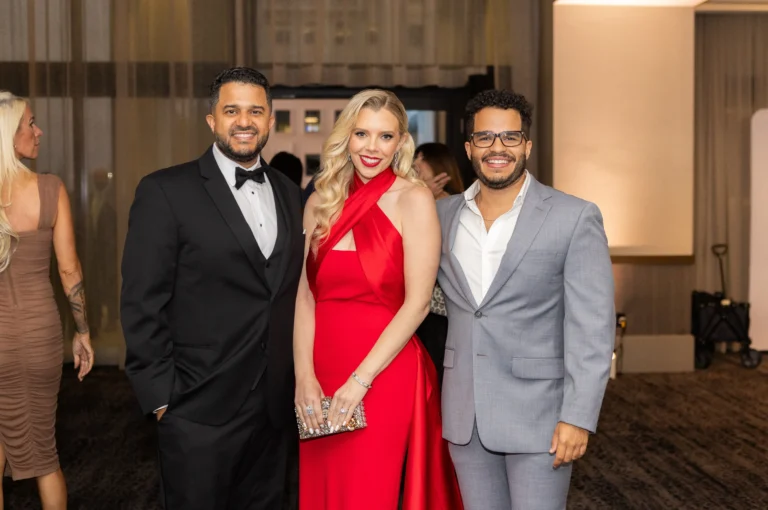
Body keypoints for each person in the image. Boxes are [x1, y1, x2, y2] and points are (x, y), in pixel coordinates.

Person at [120, 68, 304, 510]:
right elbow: (142, 300)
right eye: (232, 110)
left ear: (270, 120)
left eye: (255, 111)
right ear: (211, 120)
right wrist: (160, 397)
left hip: (274, 410)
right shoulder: (165, 191)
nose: (244, 121)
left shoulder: (290, 194)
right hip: (196, 406)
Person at [436, 89, 615, 510]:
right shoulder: (440, 216)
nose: (497, 148)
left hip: (541, 416)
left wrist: (578, 416)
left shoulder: (574, 216)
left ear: (527, 146)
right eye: (485, 137)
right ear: (469, 148)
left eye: (510, 137)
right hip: (465, 414)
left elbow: (592, 327)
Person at [294, 89, 463, 510]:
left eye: (385, 136)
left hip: (383, 373)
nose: (372, 148)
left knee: (369, 493)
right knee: (323, 492)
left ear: (401, 142)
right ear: (346, 137)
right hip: (321, 372)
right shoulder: (319, 202)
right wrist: (303, 377)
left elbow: (418, 304)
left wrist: (360, 380)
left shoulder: (414, 199)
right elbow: (305, 298)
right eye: (362, 134)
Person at [0, 91, 94, 510]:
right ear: (9, 134)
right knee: (44, 454)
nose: (39, 132)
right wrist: (83, 333)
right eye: (31, 124)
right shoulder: (50, 189)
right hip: (38, 338)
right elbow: (69, 270)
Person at [412, 142, 464, 383]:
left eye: (420, 159)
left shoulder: (458, 207)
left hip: (442, 313)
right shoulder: (414, 202)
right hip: (422, 313)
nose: (415, 165)